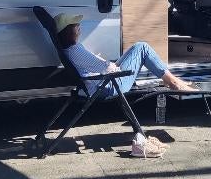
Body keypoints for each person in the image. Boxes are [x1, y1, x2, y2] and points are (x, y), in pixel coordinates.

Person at [53, 12, 196, 157]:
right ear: (67, 31)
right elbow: (105, 68)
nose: (79, 28)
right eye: (76, 26)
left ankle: (172, 80)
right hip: (106, 86)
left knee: (136, 48)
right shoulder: (75, 50)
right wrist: (114, 67)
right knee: (142, 47)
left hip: (100, 82)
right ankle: (173, 81)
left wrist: (107, 64)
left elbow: (94, 65)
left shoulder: (70, 50)